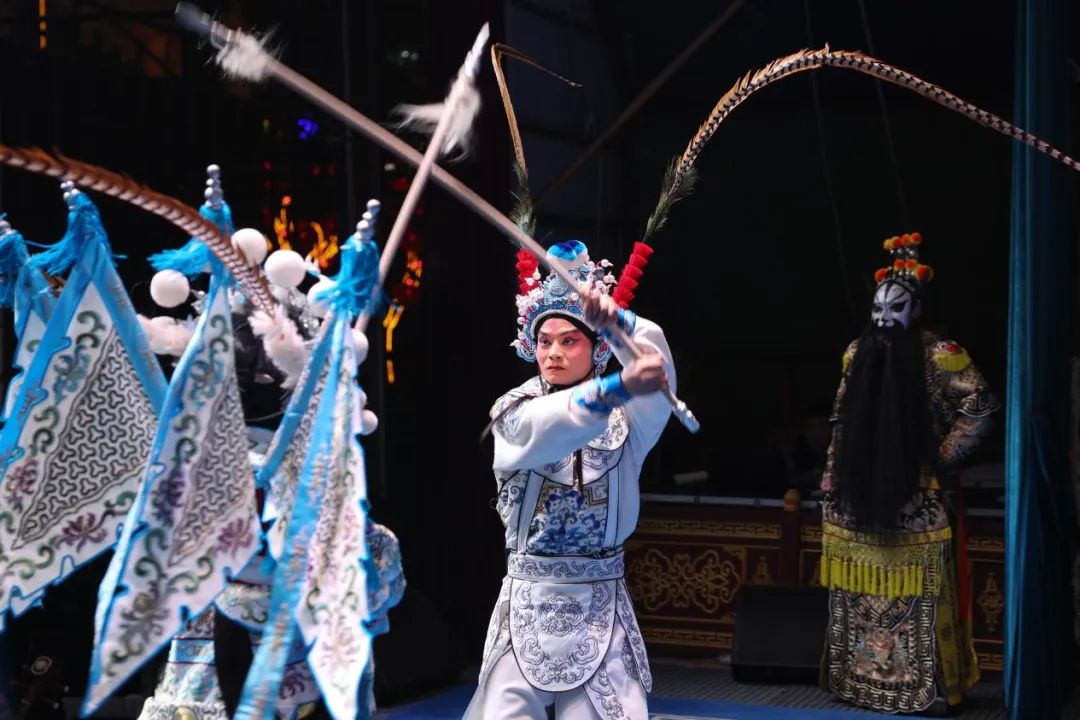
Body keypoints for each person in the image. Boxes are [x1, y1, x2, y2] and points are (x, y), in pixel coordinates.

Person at [465, 240, 674, 720]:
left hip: (602, 605)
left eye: (569, 340)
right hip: (526, 605)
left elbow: (657, 372)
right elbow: (551, 426)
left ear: (596, 346)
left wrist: (621, 322)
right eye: (544, 341)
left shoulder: (628, 418)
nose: (553, 353)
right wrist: (616, 386)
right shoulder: (513, 410)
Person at [819, 232, 998, 715]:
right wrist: (832, 475)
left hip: (918, 496)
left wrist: (941, 455)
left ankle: (930, 688)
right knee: (859, 591)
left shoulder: (941, 355)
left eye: (894, 308)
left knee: (922, 594)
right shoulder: (856, 353)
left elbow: (980, 406)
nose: (883, 318)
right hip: (857, 493)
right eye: (877, 308)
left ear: (915, 310)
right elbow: (841, 418)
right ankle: (860, 681)